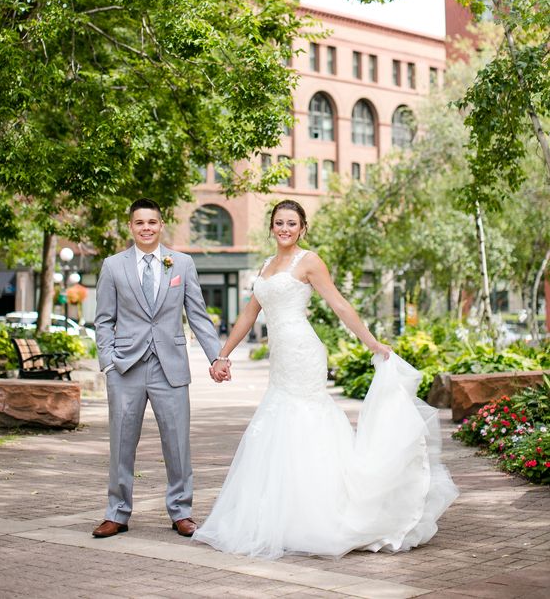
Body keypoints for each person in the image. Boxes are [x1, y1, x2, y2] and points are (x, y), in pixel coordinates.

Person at [194, 199, 458, 559]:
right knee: (280, 427)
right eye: (278, 223)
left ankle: (322, 514)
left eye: (291, 223)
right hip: (281, 359)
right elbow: (247, 315)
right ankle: (287, 516)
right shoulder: (267, 266)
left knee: (306, 420)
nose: (284, 228)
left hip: (303, 352)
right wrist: (222, 355)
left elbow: (339, 305)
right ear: (271, 227)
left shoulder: (310, 261)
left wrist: (372, 343)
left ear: (302, 228)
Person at [92, 198, 226, 539]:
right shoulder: (113, 266)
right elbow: (104, 320)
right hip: (126, 368)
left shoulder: (181, 263)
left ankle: (181, 512)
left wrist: (217, 357)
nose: (146, 228)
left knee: (177, 444)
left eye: (152, 222)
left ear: (161, 225)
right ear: (131, 226)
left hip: (171, 367)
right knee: (121, 443)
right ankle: (117, 513)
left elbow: (197, 314)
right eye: (140, 222)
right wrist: (108, 360)